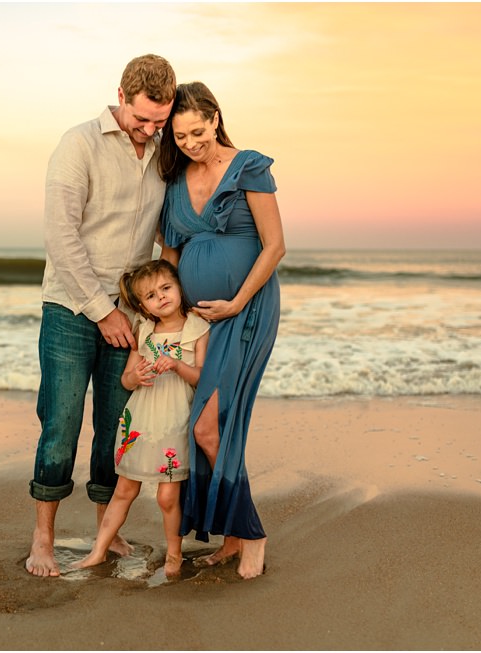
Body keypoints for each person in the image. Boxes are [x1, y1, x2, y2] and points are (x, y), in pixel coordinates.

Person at [26, 54, 177, 578]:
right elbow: (61, 237)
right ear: (121, 94)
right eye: (143, 118)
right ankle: (42, 538)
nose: (151, 129)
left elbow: (163, 233)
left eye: (160, 121)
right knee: (61, 423)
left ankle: (104, 534)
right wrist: (101, 310)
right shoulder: (78, 144)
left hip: (130, 316)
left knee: (115, 428)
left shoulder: (162, 154)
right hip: (71, 307)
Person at [157, 81, 286, 580]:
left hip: (247, 311)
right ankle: (233, 538)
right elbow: (170, 255)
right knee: (215, 425)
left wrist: (236, 302)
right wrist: (163, 316)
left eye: (197, 131)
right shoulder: (175, 181)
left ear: (214, 117)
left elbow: (274, 247)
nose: (190, 143)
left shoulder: (249, 165)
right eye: (180, 136)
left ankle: (251, 534)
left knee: (209, 426)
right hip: (198, 322)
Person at [72, 259, 209, 578]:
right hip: (140, 418)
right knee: (124, 490)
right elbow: (126, 379)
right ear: (141, 304)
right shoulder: (144, 329)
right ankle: (98, 550)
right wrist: (137, 375)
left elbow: (202, 378)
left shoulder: (196, 328)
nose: (161, 297)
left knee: (166, 495)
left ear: (178, 287)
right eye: (150, 295)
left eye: (166, 288)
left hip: (174, 420)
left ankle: (174, 554)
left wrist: (176, 365)